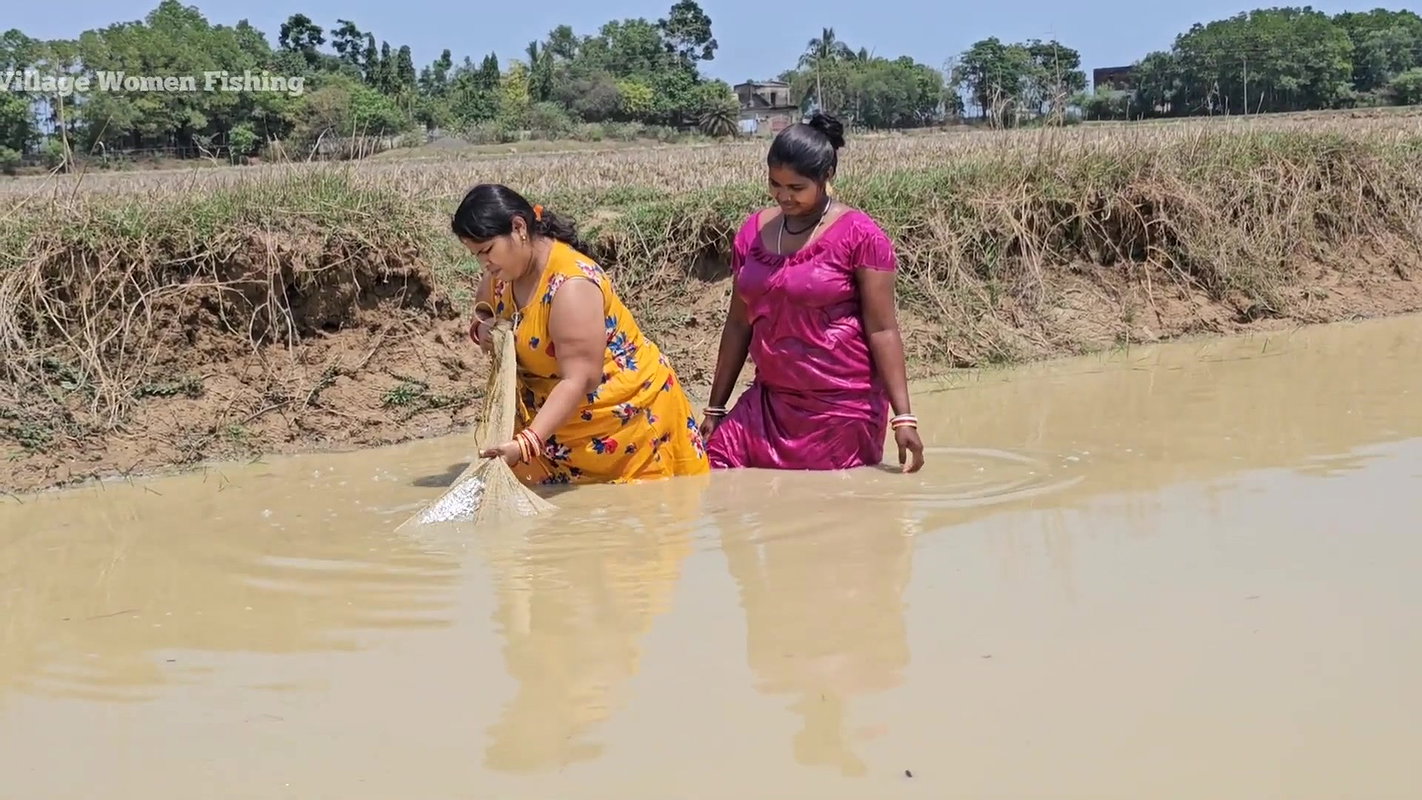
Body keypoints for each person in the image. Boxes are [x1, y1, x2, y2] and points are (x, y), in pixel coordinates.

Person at [700, 113, 925, 474]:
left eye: (796, 188)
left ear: (825, 178)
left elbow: (883, 329)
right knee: (710, 466)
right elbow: (738, 324)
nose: (783, 196)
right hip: (769, 401)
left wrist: (904, 418)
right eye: (775, 184)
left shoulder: (861, 235)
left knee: (821, 511)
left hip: (841, 406)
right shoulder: (752, 233)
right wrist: (715, 408)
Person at [453, 183, 710, 486]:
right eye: (475, 255)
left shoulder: (571, 286)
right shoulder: (504, 271)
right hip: (555, 429)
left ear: (519, 227)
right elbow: (485, 304)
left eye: (486, 251)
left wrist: (525, 444)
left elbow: (580, 378)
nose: (484, 263)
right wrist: (482, 324)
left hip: (625, 429)